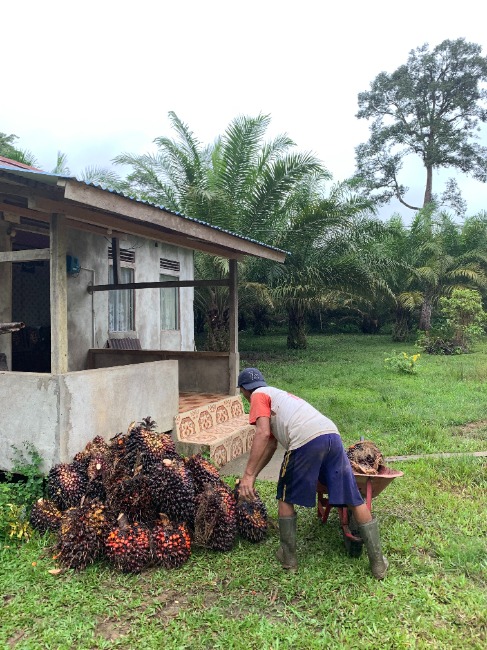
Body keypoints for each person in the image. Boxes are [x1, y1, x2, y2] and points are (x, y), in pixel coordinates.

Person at [237, 367, 388, 580]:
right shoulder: (277, 395)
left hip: (305, 438)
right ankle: (378, 563)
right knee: (354, 498)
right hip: (331, 435)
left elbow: (262, 433)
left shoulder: (258, 395)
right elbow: (270, 445)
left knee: (285, 496)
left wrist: (248, 475)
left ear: (244, 390)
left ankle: (289, 558)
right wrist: (253, 474)